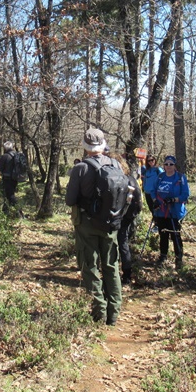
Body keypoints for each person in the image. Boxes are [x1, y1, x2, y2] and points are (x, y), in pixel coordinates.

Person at [65, 128, 122, 325]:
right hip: (111, 224)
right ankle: (114, 312)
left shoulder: (81, 168)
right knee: (111, 266)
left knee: (90, 266)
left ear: (85, 146)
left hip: (86, 225)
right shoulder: (116, 164)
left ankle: (99, 312)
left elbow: (70, 199)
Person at [147, 155, 189, 270]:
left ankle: (178, 258)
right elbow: (153, 190)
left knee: (175, 235)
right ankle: (163, 256)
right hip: (161, 211)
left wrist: (174, 199)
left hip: (175, 212)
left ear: (175, 166)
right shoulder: (160, 177)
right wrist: (155, 201)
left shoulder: (180, 178)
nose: (168, 166)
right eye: (166, 164)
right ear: (164, 166)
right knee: (163, 234)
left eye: (171, 164)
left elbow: (185, 194)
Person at [111, 154, 142, 285]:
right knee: (123, 243)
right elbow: (139, 202)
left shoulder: (117, 180)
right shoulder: (131, 179)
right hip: (127, 216)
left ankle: (120, 275)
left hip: (118, 217)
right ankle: (126, 275)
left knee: (116, 244)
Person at [0, 141, 21, 214]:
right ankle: (5, 211)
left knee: (10, 195)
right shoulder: (16, 155)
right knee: (9, 195)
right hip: (15, 178)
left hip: (7, 179)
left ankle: (20, 213)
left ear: (5, 148)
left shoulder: (5, 156)